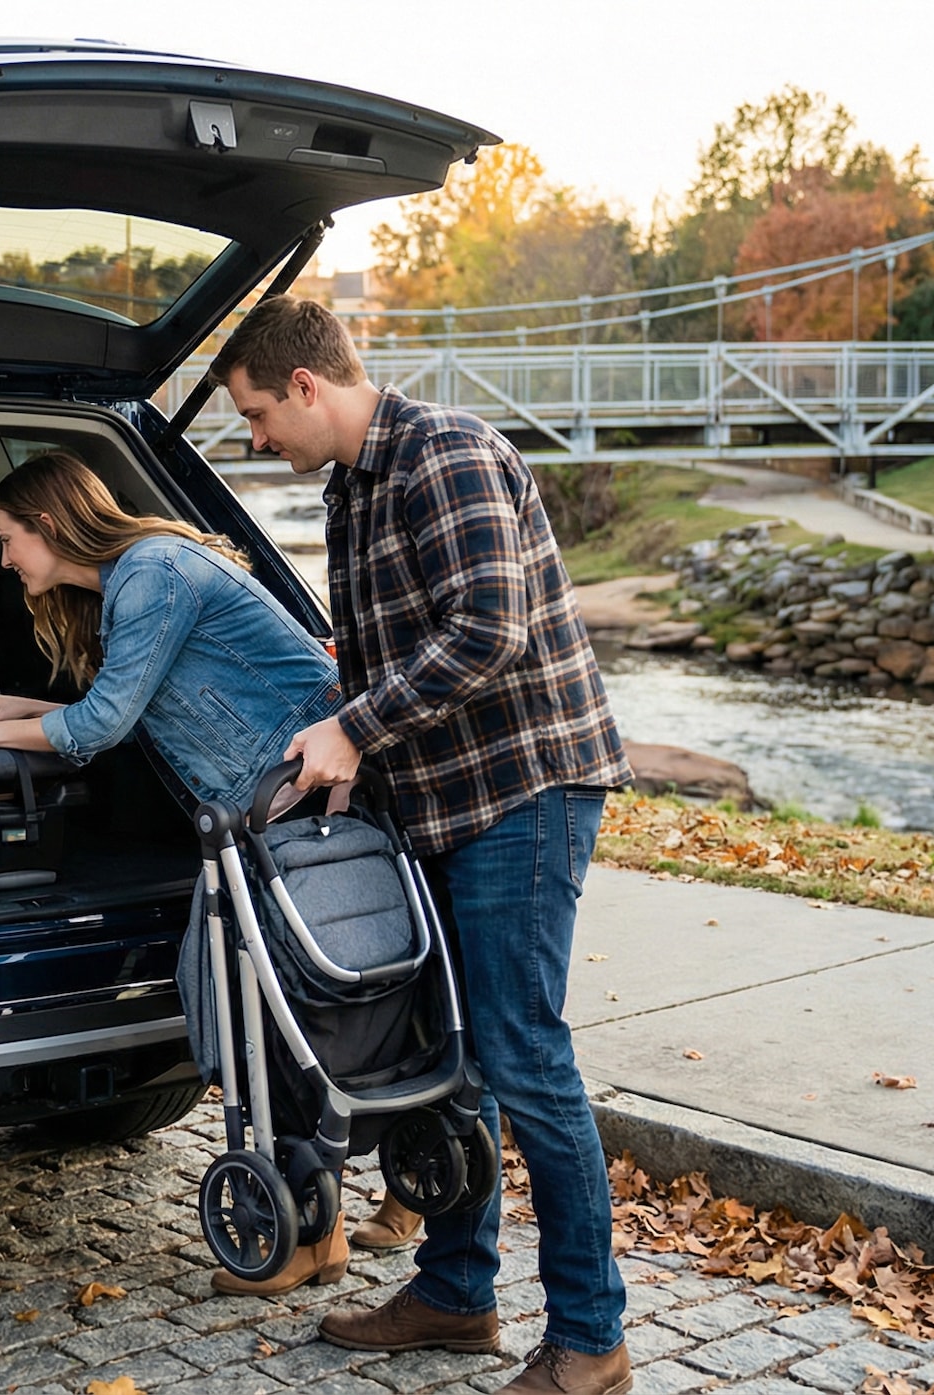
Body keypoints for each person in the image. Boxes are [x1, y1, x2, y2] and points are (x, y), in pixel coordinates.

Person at [209, 295, 633, 1395]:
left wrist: (354, 728)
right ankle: (455, 1295)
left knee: (524, 1057)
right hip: (438, 799)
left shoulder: (445, 453)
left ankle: (592, 1341)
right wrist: (350, 754)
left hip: (524, 789)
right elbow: (382, 650)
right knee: (453, 1058)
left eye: (257, 413)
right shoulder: (351, 487)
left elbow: (489, 630)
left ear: (306, 385)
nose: (254, 438)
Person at [0, 451, 364, 1295]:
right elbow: (132, 710)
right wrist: (25, 708)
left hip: (292, 796)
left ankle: (313, 1228)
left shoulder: (150, 574)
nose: (4, 558)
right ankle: (331, 1223)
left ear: (48, 526)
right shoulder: (142, 573)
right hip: (275, 800)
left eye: (8, 538)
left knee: (246, 1002)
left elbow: (101, 726)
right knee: (263, 1002)